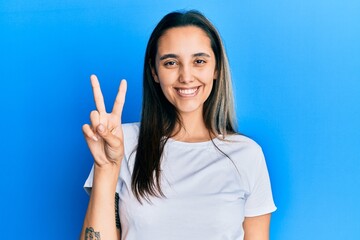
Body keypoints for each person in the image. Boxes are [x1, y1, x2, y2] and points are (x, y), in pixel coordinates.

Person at [80, 10, 276, 240]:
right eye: (171, 63)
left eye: (199, 61)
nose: (186, 76)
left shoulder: (247, 155)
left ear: (216, 69)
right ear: (154, 71)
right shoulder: (121, 142)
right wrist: (105, 167)